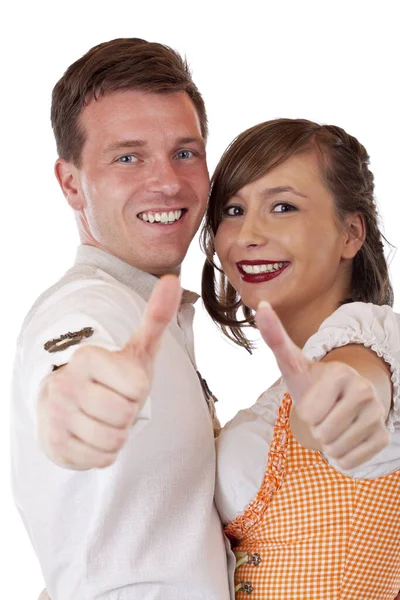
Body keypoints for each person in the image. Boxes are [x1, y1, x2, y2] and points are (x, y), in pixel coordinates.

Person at [10, 38, 234, 600]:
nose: (167, 182)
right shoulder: (89, 309)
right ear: (70, 183)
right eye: (127, 157)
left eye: (185, 152)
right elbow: (72, 370)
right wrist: (80, 407)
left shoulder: (157, 313)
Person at [201, 118, 400, 598]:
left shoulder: (377, 344)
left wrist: (343, 404)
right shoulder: (271, 400)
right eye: (233, 209)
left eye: (282, 206)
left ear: (351, 234)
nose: (247, 234)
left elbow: (356, 382)